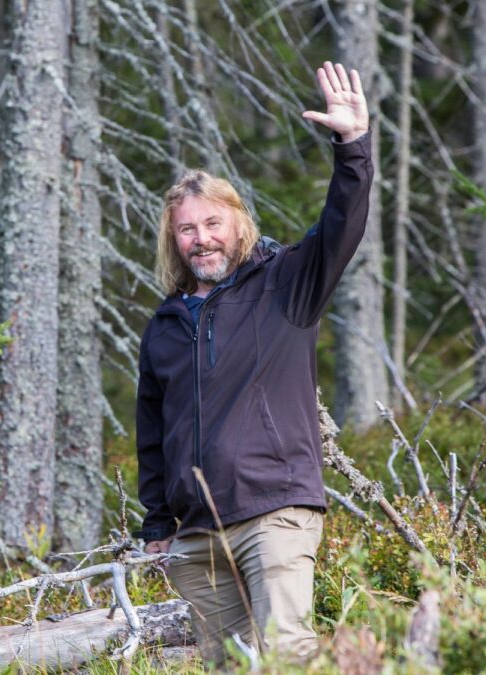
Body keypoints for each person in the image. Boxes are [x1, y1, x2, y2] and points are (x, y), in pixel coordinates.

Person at [133, 61, 373, 665]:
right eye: (186, 229)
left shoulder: (286, 285)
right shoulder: (164, 326)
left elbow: (342, 226)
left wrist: (352, 147)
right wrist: (159, 525)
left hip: (274, 511)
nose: (201, 238)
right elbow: (153, 436)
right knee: (225, 667)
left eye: (213, 222)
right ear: (174, 240)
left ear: (239, 223)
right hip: (195, 537)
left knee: (285, 655)